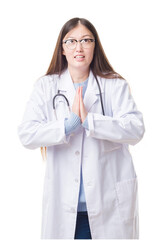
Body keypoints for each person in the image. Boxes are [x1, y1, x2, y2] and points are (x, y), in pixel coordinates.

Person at [18, 17, 145, 239]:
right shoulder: (46, 86)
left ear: (95, 46)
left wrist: (91, 121)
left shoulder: (115, 85)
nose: (79, 47)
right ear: (62, 49)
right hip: (65, 209)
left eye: (86, 40)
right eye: (71, 41)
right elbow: (27, 134)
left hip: (109, 206)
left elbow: (135, 129)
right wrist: (68, 125)